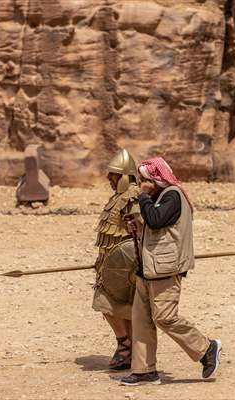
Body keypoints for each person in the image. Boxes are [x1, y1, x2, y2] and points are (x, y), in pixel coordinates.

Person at [120, 157, 221, 386]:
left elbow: (156, 220)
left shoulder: (173, 195)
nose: (142, 184)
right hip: (147, 269)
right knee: (141, 321)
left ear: (155, 179)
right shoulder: (158, 198)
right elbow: (155, 228)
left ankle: (206, 348)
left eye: (145, 180)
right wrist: (136, 226)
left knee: (164, 317)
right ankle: (144, 371)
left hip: (165, 269)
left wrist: (143, 197)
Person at [93, 149, 142, 370]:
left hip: (124, 269)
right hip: (112, 266)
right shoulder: (118, 198)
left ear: (124, 175)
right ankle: (129, 351)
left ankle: (125, 346)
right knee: (121, 307)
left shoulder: (132, 197)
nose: (108, 178)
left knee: (106, 303)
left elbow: (140, 231)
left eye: (113, 174)